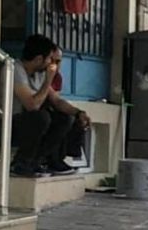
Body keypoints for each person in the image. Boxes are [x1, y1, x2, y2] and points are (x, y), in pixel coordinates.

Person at [11, 34, 91, 177]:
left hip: (29, 125)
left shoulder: (39, 74)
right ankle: (20, 163)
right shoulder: (15, 70)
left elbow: (57, 101)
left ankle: (37, 161)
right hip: (11, 124)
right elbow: (32, 105)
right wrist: (48, 80)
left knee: (65, 118)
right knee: (41, 117)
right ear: (38, 59)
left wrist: (79, 113)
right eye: (49, 59)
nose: (51, 63)